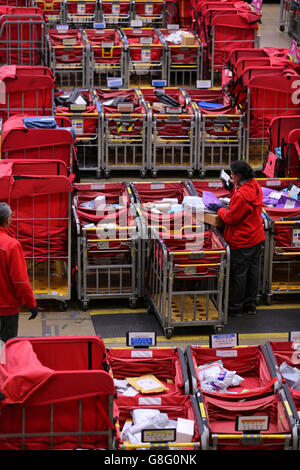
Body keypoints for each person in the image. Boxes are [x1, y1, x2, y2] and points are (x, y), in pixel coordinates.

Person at [208, 160, 265, 317]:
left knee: (239, 274)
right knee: (253, 271)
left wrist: (219, 209)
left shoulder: (240, 195)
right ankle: (250, 304)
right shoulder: (254, 186)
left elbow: (231, 218)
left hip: (242, 240)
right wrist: (232, 189)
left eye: (232, 174)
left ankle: (235, 307)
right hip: (256, 236)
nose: (230, 175)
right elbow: (244, 200)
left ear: (238, 176)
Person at [0, 202, 38, 342]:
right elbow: (20, 281)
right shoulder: (11, 245)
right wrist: (31, 304)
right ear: (7, 220)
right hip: (6, 309)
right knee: (6, 350)